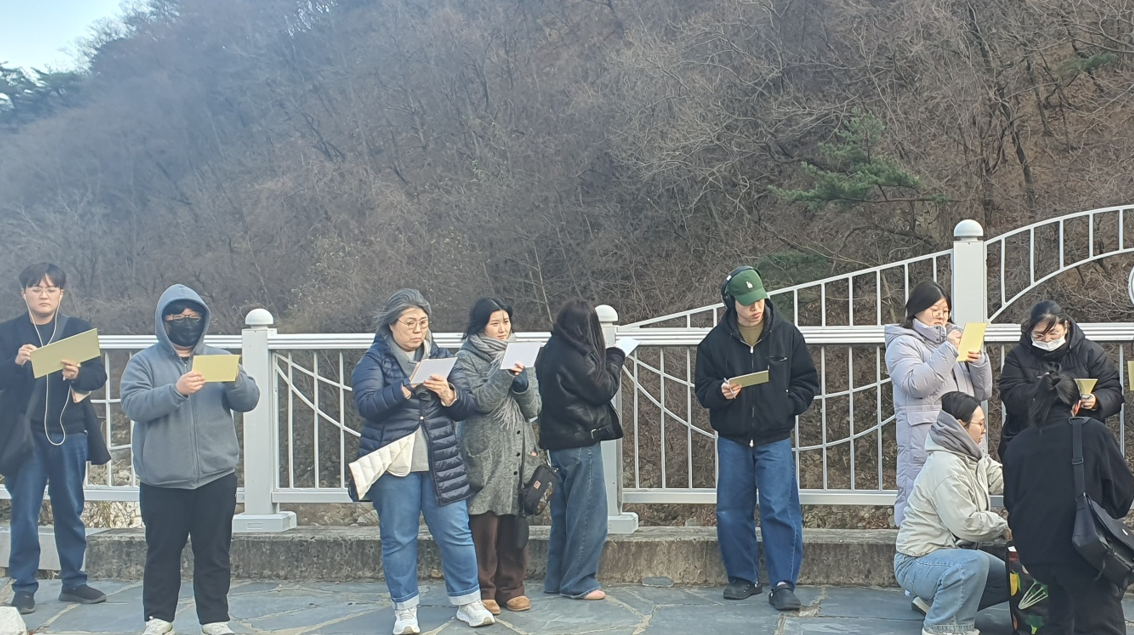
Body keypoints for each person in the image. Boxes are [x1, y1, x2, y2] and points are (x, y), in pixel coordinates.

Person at [351, 289, 494, 635]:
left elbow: (467, 407)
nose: (418, 330)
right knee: (398, 537)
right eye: (410, 323)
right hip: (394, 464)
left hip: (441, 460)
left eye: (424, 322)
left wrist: (448, 393)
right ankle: (405, 610)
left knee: (456, 533)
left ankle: (469, 602)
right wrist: (405, 387)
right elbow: (367, 405)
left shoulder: (443, 356)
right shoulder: (374, 360)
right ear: (391, 324)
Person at [120, 285, 261, 635]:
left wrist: (235, 379)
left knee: (214, 552)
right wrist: (176, 390)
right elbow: (133, 405)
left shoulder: (219, 357)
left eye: (193, 315)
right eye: (178, 315)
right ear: (163, 320)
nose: (186, 321)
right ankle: (159, 617)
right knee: (162, 552)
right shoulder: (143, 362)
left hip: (216, 476)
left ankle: (214, 618)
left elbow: (249, 400)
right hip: (162, 479)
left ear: (204, 319)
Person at [694, 267, 819, 610]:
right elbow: (702, 389)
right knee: (732, 510)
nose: (756, 307)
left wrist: (786, 406)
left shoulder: (787, 334)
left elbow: (807, 381)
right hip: (732, 438)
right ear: (731, 302)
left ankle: (783, 583)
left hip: (774, 437)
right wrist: (720, 392)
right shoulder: (714, 342)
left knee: (780, 509)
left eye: (760, 299)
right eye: (748, 302)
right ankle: (742, 577)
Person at [0, 263, 110, 615]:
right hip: (26, 435)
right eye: (36, 289)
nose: (43, 295)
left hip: (70, 431)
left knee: (70, 509)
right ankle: (24, 585)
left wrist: (78, 373)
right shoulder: (8, 332)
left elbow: (98, 376)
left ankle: (74, 581)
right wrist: (16, 363)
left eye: (50, 289)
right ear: (24, 293)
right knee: (25, 511)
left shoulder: (78, 330)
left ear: (61, 294)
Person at [1003, 372, 1134, 635]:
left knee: (1062, 617)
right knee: (1102, 624)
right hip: (1084, 551)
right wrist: (1101, 514)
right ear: (1075, 406)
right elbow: (1122, 493)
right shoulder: (1092, 432)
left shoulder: (1017, 445)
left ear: (1035, 404)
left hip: (1036, 553)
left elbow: (1012, 501)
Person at [893, 392, 1009, 635]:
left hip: (951, 557)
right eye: (980, 424)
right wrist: (1004, 525)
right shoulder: (945, 466)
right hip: (917, 561)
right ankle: (942, 627)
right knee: (973, 564)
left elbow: (1002, 479)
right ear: (960, 425)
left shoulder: (972, 456)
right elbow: (965, 524)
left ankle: (936, 604)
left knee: (1010, 578)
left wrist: (1032, 481)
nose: (985, 430)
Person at [455, 298, 542, 615]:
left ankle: (512, 587)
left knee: (514, 523)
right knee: (484, 523)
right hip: (485, 451)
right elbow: (481, 402)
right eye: (495, 323)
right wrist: (505, 374)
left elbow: (533, 408)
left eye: (506, 321)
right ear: (481, 326)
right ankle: (483, 589)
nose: (503, 328)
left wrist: (522, 384)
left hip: (518, 449)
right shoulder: (466, 358)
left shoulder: (522, 354)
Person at [536, 299, 627, 601]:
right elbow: (602, 388)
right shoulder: (575, 355)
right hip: (580, 441)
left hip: (556, 443)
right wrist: (614, 358)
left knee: (563, 516)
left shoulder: (549, 350)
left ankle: (556, 578)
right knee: (588, 514)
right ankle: (579, 581)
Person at [885, 281, 992, 527]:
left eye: (945, 310)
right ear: (917, 310)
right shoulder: (903, 343)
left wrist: (978, 362)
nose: (941, 316)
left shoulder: (956, 339)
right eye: (935, 310)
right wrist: (948, 350)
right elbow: (915, 384)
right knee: (925, 500)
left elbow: (984, 391)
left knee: (965, 498)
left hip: (965, 432)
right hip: (926, 435)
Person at [998, 300, 1122, 460]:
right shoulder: (1017, 356)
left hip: (1081, 437)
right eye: (1039, 335)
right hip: (1030, 435)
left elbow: (1113, 390)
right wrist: (1041, 390)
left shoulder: (1090, 352)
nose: (1047, 339)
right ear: (1030, 331)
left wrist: (1097, 400)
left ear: (1066, 326)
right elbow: (1010, 394)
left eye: (1053, 333)